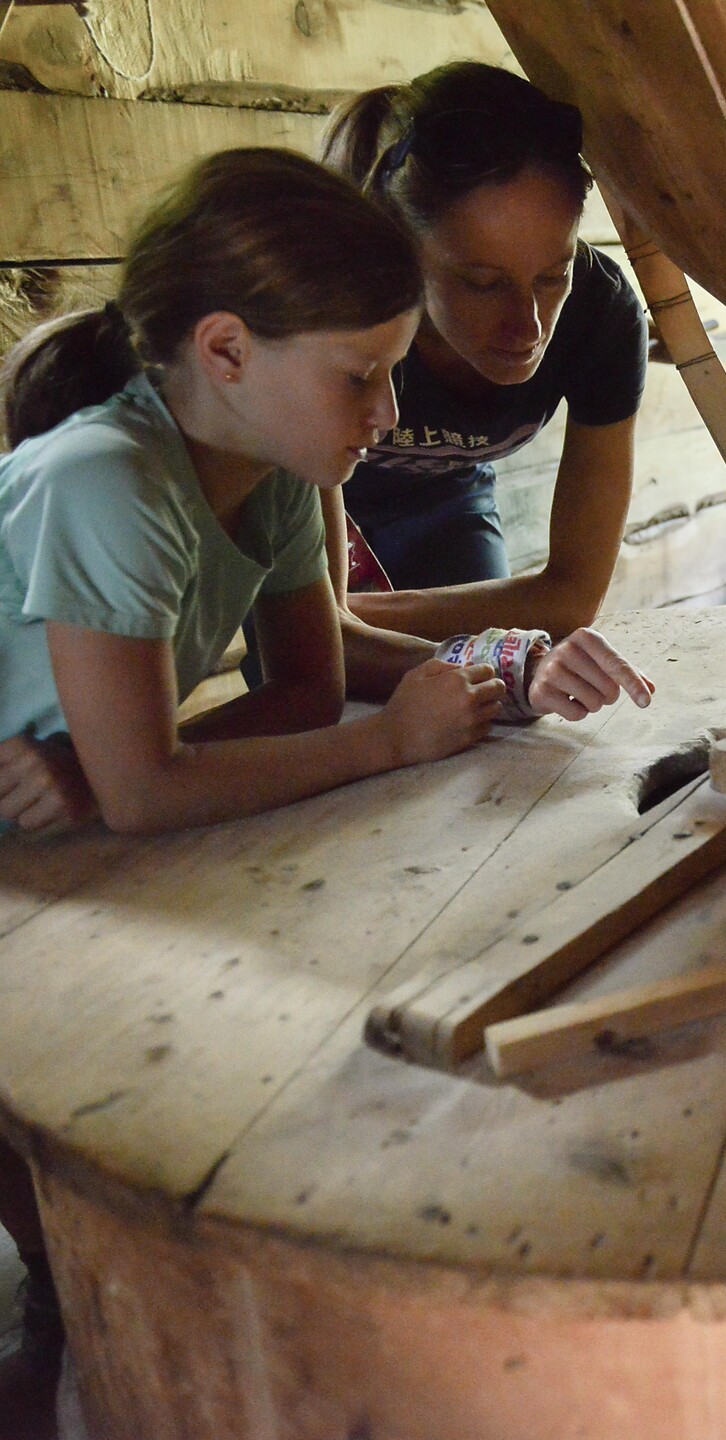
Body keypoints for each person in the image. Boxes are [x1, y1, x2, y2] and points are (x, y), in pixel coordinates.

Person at [0, 147, 651, 1415]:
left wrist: (505, 671)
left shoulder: (286, 472)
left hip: (45, 815)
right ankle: (72, 1322)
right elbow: (152, 792)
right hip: (34, 827)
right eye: (362, 377)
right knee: (43, 1141)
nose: (390, 414)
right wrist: (381, 745)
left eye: (392, 371)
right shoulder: (105, 482)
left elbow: (314, 676)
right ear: (229, 352)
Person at [317, 62, 648, 694]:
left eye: (552, 276)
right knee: (322, 698)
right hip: (328, 502)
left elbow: (572, 595)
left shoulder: (599, 318)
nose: (527, 326)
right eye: (482, 282)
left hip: (447, 501)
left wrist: (341, 622)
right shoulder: (335, 311)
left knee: (479, 712)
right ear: (404, 251)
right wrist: (318, 626)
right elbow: (314, 653)